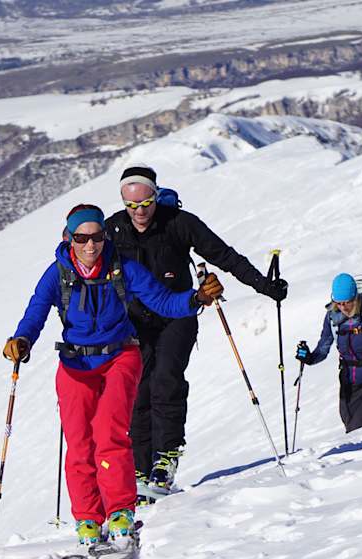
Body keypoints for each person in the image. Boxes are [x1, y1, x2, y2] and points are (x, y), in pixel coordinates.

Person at [4, 204, 224, 545]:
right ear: (69, 238)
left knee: (110, 434)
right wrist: (21, 341)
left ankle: (121, 511)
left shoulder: (124, 268)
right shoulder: (57, 274)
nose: (90, 245)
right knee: (79, 444)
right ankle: (88, 519)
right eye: (82, 238)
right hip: (76, 366)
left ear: (105, 237)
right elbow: (36, 312)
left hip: (120, 357)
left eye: (97, 237)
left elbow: (163, 301)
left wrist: (196, 299)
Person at [105, 165, 288, 497]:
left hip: (179, 313)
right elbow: (86, 268)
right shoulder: (113, 229)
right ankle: (139, 468)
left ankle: (165, 459)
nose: (139, 212)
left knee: (166, 378)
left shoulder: (179, 223)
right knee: (138, 390)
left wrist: (264, 286)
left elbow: (225, 256)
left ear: (155, 195)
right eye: (131, 205)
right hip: (134, 322)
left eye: (145, 203)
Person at [296, 273, 362, 432]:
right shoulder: (332, 318)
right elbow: (323, 348)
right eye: (339, 304)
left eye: (348, 302)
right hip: (348, 384)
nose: (344, 307)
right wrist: (309, 358)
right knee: (351, 429)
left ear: (356, 297)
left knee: (357, 429)